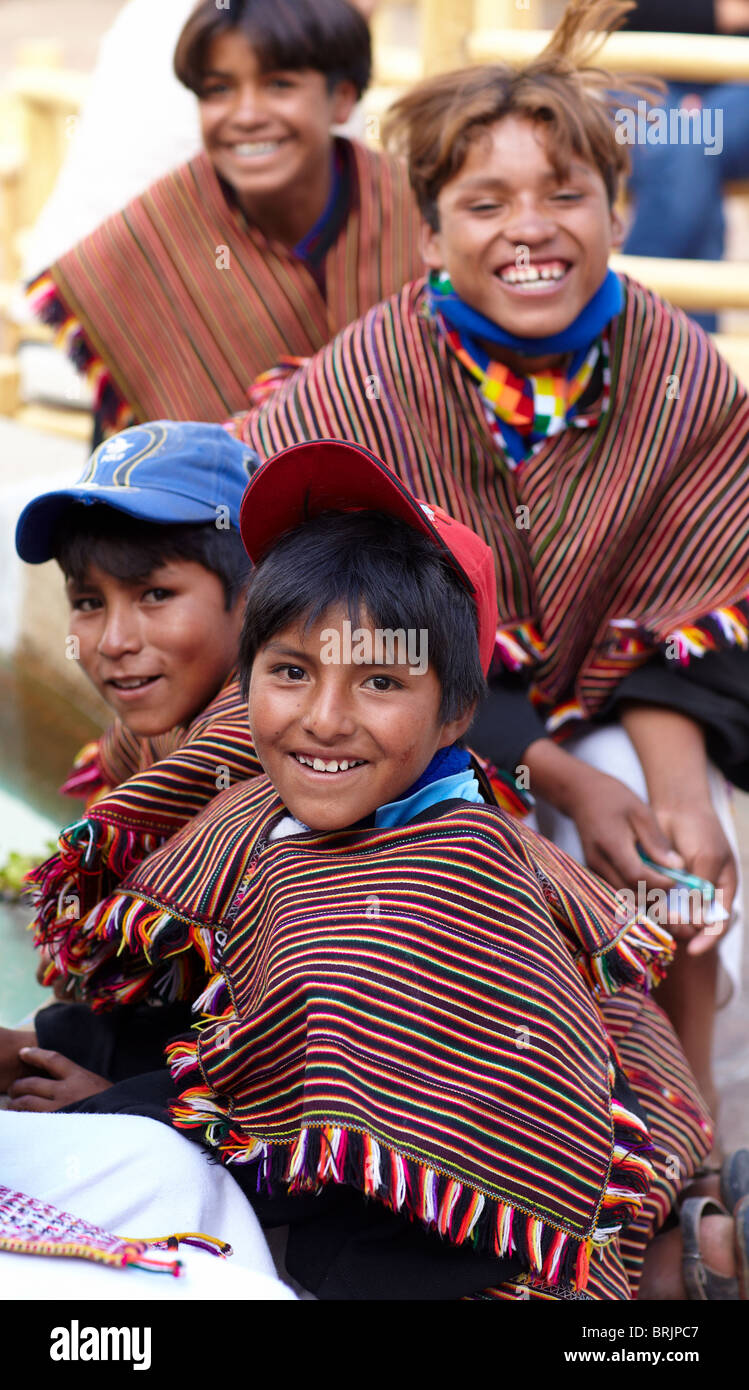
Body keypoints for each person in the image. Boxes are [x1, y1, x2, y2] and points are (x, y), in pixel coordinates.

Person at [34, 437, 746, 1302]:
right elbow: (242, 1017)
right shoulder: (264, 801)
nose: (324, 719)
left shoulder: (434, 871)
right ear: (250, 668)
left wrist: (115, 1108)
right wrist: (74, 1056)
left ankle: (674, 1269)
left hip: (458, 1238)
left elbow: (310, 1090)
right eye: (292, 671)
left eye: (377, 680)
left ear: (455, 714)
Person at [228, 0, 749, 1116]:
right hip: (414, 710)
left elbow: (687, 609)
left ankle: (688, 1144)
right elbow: (373, 636)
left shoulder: (679, 372)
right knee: (498, 866)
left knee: (687, 874)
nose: (531, 227)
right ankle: (527, 1116)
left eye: (565, 194)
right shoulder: (369, 383)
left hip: (606, 700)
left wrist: (668, 795)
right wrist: (561, 778)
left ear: (615, 210)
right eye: (485, 202)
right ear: (429, 237)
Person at [0, 420, 265, 1105]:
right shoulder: (146, 745)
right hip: (182, 1036)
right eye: (89, 603)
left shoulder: (296, 755)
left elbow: (317, 1038)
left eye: (154, 595)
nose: (113, 640)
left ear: (256, 596)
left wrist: (124, 1104)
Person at [27, 0, 422, 440]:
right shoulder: (148, 245)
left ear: (343, 98)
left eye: (279, 85)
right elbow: (135, 465)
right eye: (218, 90)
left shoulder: (416, 213)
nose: (247, 115)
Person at [622, 0, 749, 333]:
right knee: (689, 149)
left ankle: (631, 313)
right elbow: (610, 9)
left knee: (687, 143)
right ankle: (695, 355)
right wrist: (716, 14)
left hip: (736, 83)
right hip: (645, 74)